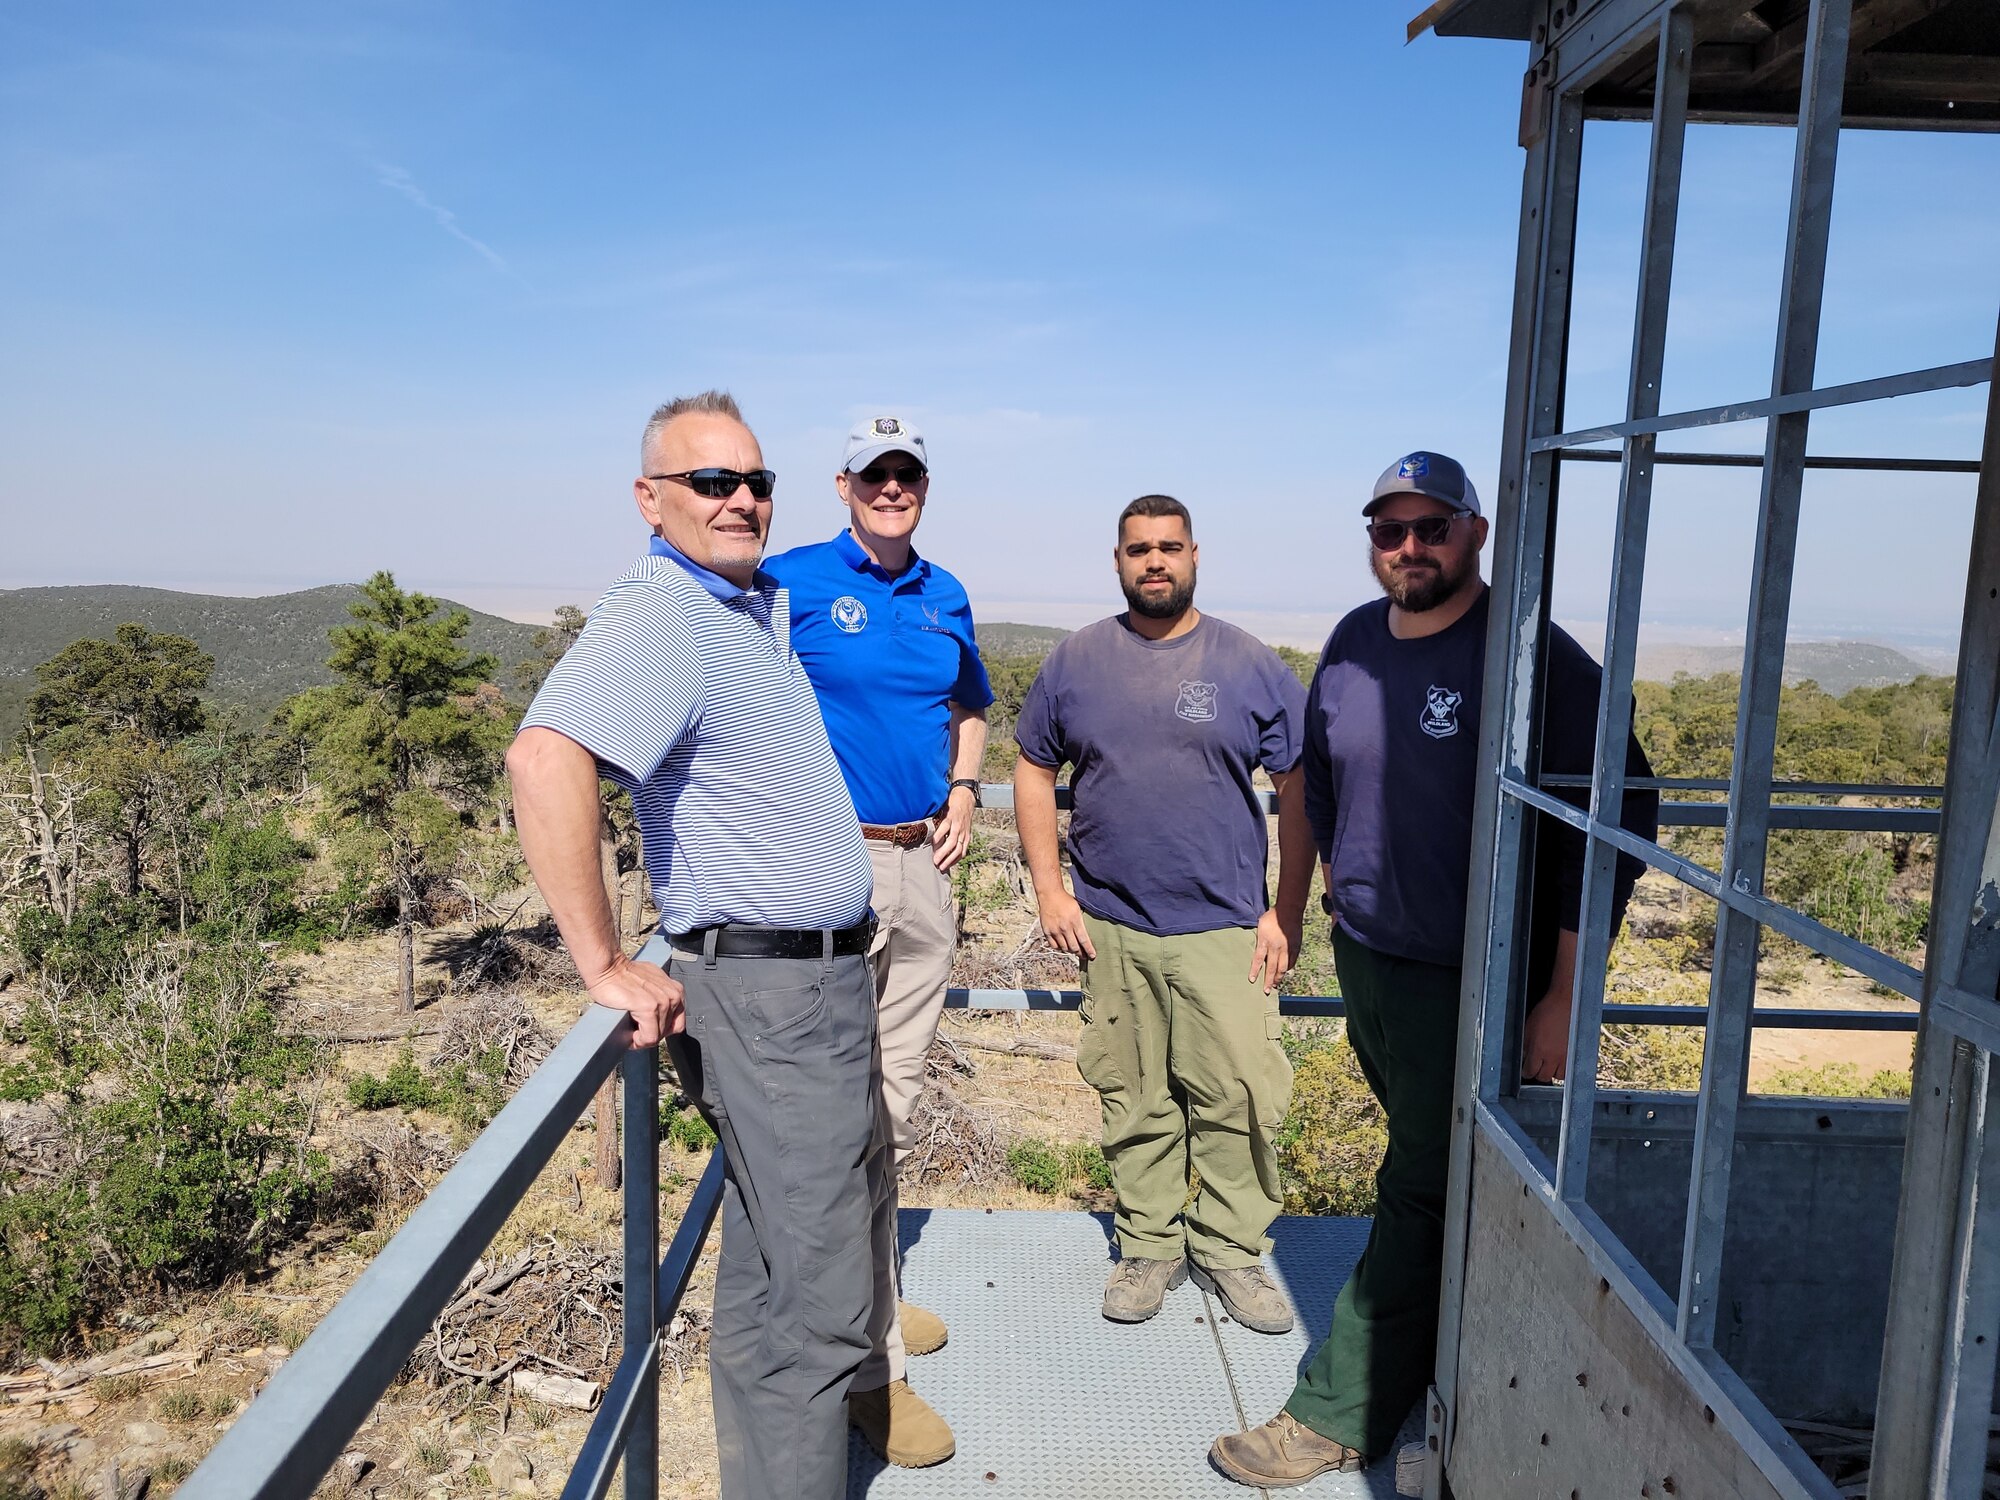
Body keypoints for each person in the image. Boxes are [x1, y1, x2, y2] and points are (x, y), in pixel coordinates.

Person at [1210, 451, 1659, 1487]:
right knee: (1432, 1172)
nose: (1407, 548)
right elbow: (1310, 787)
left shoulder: (1529, 660)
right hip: (1367, 960)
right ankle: (1454, 1349)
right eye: (1387, 531)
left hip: (1472, 983)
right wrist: (1295, 912)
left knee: (1417, 1180)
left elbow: (1617, 818)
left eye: (1430, 528)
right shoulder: (1355, 641)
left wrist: (1558, 996)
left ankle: (1339, 1412)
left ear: (1474, 532)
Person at [506, 391, 885, 1500]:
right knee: (818, 1302)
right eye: (711, 482)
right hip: (769, 994)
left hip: (805, 985)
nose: (742, 500)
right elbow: (545, 760)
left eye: (755, 481)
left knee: (776, 1279)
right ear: (650, 500)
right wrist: (599, 961)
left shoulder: (741, 605)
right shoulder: (664, 613)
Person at [1013, 493, 1313, 1335]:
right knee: (1135, 1095)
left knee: (1242, 1093)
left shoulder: (1248, 663)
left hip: (1225, 924)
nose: (1155, 561)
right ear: (1117, 561)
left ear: (1194, 556)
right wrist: (1050, 889)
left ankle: (1231, 1250)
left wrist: (1284, 911)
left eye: (1169, 547)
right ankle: (1148, 1245)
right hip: (1111, 922)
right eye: (1139, 549)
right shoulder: (1076, 662)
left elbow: (1298, 786)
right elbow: (1032, 768)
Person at [761, 414, 991, 1469]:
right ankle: (865, 1373)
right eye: (875, 474)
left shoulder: (944, 592)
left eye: (908, 475)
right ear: (844, 483)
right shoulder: (790, 579)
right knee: (839, 1120)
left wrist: (962, 785)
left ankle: (876, 1300)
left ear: (923, 487)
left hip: (922, 870)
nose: (891, 488)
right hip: (828, 869)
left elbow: (968, 703)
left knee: (890, 1103)